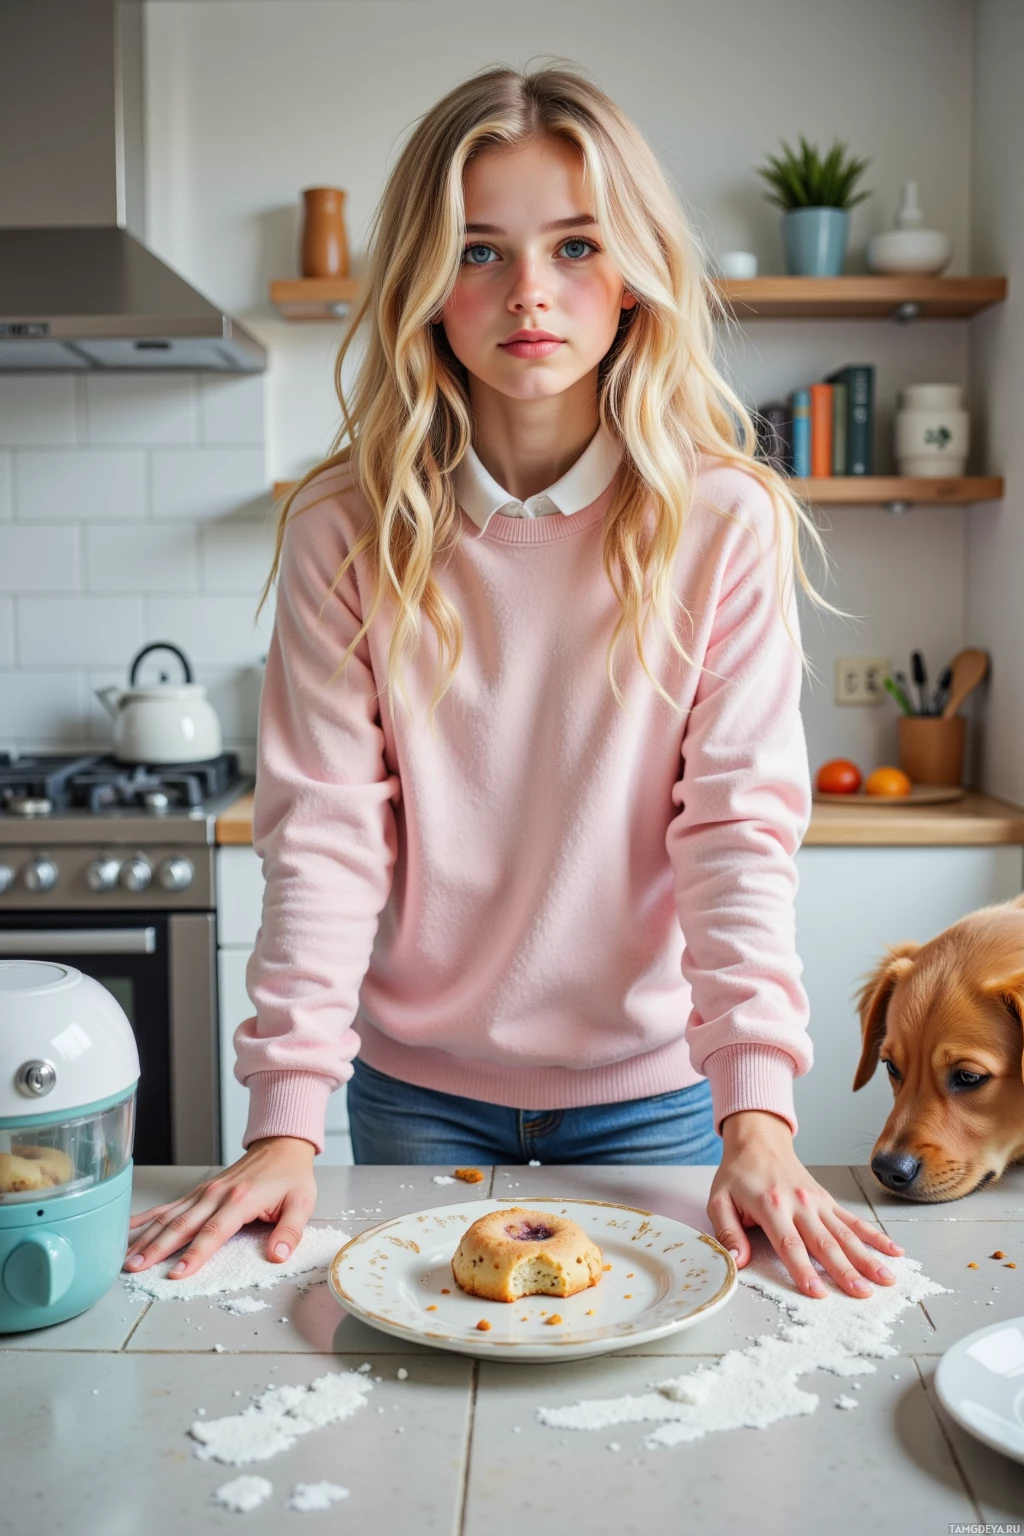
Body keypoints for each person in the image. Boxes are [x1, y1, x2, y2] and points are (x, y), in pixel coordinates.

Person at [124, 61, 903, 1303]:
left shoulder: (720, 519)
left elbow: (736, 834)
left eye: (577, 244)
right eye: (478, 250)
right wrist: (282, 1125)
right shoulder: (349, 524)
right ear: (425, 284)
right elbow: (325, 836)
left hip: (658, 1102)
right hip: (418, 1100)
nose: (529, 292)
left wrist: (755, 1111)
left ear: (638, 272)